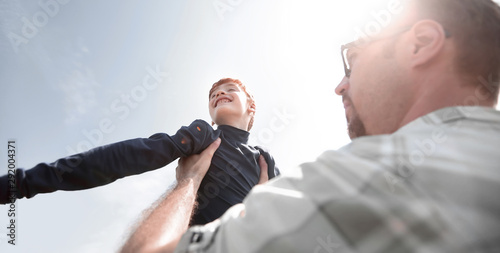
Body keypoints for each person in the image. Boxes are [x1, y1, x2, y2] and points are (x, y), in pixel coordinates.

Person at [119, 0, 500, 252]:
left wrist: (188, 181)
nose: (340, 85)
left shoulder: (358, 179)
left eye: (353, 59)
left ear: (420, 44)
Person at [1, 78, 279, 225]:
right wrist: (23, 183)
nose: (218, 93)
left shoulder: (264, 160)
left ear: (251, 106)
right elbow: (129, 156)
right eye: (212, 94)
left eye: (229, 89)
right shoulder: (204, 135)